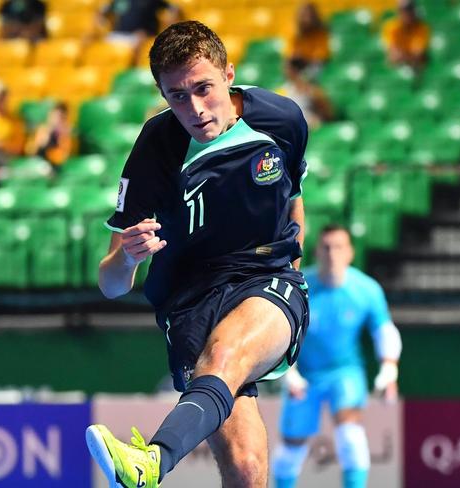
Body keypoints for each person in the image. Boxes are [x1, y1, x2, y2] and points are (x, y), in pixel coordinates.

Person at [85, 20, 310, 488]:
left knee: (225, 353)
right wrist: (127, 257)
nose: (195, 108)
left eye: (203, 88)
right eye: (177, 96)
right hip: (188, 301)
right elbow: (110, 284)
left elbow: (293, 194)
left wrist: (294, 264)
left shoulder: (282, 120)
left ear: (229, 74)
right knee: (246, 471)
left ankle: (151, 463)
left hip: (265, 278)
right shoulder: (156, 148)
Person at [271, 224, 402, 488]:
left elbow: (384, 332)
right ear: (317, 252)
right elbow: (279, 334)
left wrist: (389, 371)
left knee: (350, 435)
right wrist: (289, 374)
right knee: (291, 448)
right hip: (303, 376)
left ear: (350, 252)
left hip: (345, 372)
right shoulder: (300, 288)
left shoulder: (367, 290)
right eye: (326, 247)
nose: (332, 254)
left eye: (339, 247)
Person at [90, 0, 182, 65]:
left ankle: (131, 70)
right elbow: (102, 12)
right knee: (95, 45)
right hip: (118, 34)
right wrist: (103, 25)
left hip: (141, 36)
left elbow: (173, 8)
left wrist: (170, 22)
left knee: (138, 39)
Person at [279, 57, 334, 129]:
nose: (284, 71)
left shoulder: (312, 90)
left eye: (287, 68)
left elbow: (328, 114)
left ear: (295, 70)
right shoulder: (283, 90)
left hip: (313, 129)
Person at [381, 0, 430, 71]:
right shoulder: (391, 27)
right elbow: (393, 54)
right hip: (397, 67)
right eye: (404, 10)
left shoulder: (422, 28)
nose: (407, 13)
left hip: (416, 66)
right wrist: (407, 56)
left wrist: (404, 56)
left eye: (409, 10)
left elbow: (418, 54)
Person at [27, 101, 74, 172]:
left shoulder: (67, 133)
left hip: (57, 165)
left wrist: (62, 135)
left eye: (60, 117)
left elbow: (64, 155)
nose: (56, 119)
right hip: (40, 162)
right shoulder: (43, 129)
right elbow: (30, 150)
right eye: (54, 116)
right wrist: (42, 140)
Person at [286, 2, 330, 75]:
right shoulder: (295, 34)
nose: (306, 19)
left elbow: (321, 56)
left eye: (309, 15)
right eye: (304, 15)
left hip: (319, 65)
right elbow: (292, 56)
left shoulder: (321, 32)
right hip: (301, 66)